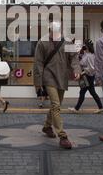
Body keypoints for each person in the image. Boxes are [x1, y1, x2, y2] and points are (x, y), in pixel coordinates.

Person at [33, 21, 81, 149]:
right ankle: (62, 136)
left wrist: (77, 70)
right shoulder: (42, 42)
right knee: (55, 105)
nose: (55, 34)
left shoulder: (67, 42)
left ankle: (47, 126)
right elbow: (38, 64)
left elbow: (74, 57)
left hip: (62, 77)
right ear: (49, 30)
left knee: (57, 104)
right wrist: (38, 84)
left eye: (57, 31)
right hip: (48, 77)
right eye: (53, 32)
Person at [68, 40, 103, 114]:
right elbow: (81, 63)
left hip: (88, 76)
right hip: (88, 76)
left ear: (87, 47)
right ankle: (101, 107)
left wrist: (82, 73)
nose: (83, 47)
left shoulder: (90, 56)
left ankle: (76, 108)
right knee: (92, 92)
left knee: (83, 92)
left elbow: (92, 68)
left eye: (84, 46)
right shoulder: (86, 54)